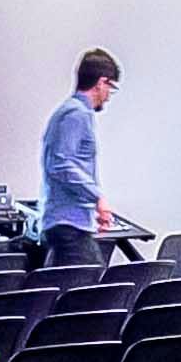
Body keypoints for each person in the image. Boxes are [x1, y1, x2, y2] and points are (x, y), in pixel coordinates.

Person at [40, 48, 121, 254]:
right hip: (69, 226)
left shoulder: (71, 112)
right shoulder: (76, 114)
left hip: (71, 223)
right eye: (111, 88)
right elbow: (61, 164)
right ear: (101, 82)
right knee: (89, 280)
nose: (109, 97)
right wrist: (97, 197)